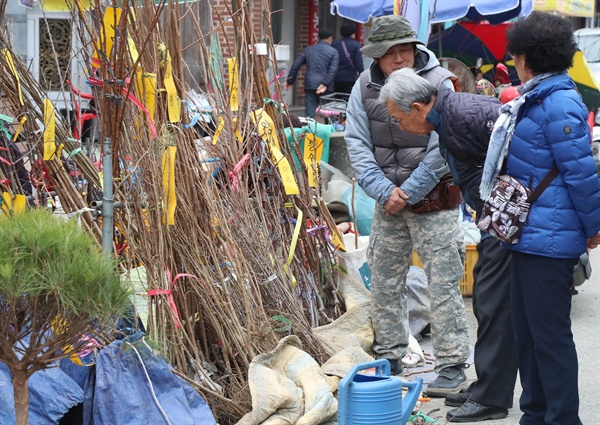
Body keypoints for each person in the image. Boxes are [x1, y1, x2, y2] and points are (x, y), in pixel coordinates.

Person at [379, 67, 519, 422]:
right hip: (496, 217)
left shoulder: (459, 117)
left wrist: (500, 211)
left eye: (399, 119)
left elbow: (518, 158)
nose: (400, 128)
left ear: (416, 108)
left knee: (491, 302)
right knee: (489, 302)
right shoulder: (451, 116)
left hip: (506, 220)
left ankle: (492, 396)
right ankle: (489, 386)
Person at [344, 15, 470, 397]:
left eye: (405, 50)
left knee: (444, 282)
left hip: (435, 200)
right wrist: (384, 191)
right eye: (389, 53)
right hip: (387, 201)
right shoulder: (363, 85)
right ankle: (391, 355)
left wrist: (408, 191)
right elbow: (356, 141)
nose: (400, 59)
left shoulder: (439, 81)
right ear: (376, 57)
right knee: (383, 280)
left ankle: (451, 363)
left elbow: (443, 148)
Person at [487, 12, 600, 424]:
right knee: (528, 334)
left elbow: (582, 174)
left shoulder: (559, 102)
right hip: (530, 234)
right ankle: (535, 415)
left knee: (549, 338)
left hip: (551, 240)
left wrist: (594, 227)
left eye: (515, 53)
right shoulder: (536, 96)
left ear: (525, 56)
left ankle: (563, 419)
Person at [286, 28, 339, 119]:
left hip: (310, 84)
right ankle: (330, 132)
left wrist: (290, 81)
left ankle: (309, 132)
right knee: (329, 115)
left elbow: (296, 64)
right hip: (326, 87)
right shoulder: (333, 52)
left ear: (318, 38)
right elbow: (332, 70)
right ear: (330, 39)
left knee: (309, 116)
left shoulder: (308, 50)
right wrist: (324, 84)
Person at [331, 22, 364, 94]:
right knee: (347, 99)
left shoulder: (334, 44)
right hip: (350, 78)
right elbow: (359, 64)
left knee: (336, 99)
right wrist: (362, 75)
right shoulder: (356, 45)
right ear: (352, 33)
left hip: (336, 77)